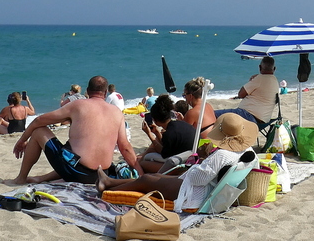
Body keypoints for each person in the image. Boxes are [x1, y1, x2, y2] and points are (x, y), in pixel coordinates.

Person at [96, 112, 258, 212]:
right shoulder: (249, 151)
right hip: (206, 188)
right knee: (151, 177)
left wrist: (201, 159)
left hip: (194, 193)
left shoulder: (222, 155)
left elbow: (197, 179)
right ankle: (109, 182)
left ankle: (107, 190)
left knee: (147, 180)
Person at [3, 76, 143, 185]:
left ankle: (20, 179)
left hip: (77, 173)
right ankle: (41, 178)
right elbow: (125, 148)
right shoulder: (117, 113)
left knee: (39, 131)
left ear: (87, 92)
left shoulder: (78, 105)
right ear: (105, 93)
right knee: (73, 148)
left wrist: (22, 140)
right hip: (101, 175)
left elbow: (39, 121)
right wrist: (142, 175)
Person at [139, 95, 195, 173]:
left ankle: (138, 169)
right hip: (190, 157)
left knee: (144, 161)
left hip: (180, 164)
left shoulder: (169, 133)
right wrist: (157, 132)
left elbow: (163, 153)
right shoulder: (181, 124)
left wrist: (149, 134)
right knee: (151, 150)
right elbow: (167, 144)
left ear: (155, 120)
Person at [214, 56, 279, 124]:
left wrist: (252, 80)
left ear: (260, 67)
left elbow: (241, 94)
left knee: (212, 114)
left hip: (249, 115)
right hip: (263, 119)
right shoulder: (274, 80)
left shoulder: (259, 79)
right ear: (274, 69)